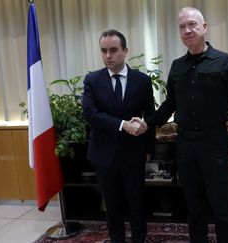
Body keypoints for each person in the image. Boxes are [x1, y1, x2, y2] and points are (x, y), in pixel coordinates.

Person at [137, 7, 228, 243]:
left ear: (204, 27)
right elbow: (169, 105)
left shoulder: (225, 62)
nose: (187, 30)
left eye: (192, 24)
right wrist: (146, 123)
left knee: (220, 205)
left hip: (215, 142)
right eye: (182, 27)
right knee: (194, 205)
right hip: (185, 144)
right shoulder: (177, 66)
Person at [82, 29, 155, 243]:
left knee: (136, 202)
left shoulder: (142, 80)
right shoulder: (92, 80)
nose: (108, 56)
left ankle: (139, 239)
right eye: (103, 51)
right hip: (104, 154)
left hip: (134, 153)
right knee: (112, 205)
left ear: (125, 51)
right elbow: (90, 114)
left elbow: (149, 117)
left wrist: (149, 150)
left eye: (113, 50)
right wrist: (122, 125)